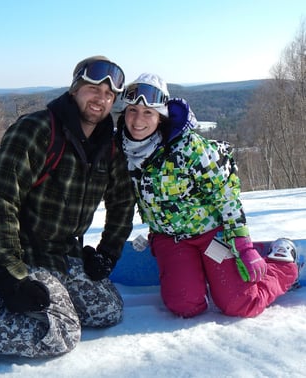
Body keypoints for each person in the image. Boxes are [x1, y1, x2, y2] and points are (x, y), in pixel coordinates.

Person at [0, 56, 135, 358]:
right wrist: (12, 271)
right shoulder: (37, 130)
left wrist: (108, 253)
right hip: (11, 246)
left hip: (57, 251)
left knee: (107, 310)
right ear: (74, 89)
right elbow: (0, 201)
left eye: (109, 94)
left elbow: (123, 202)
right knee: (60, 334)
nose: (101, 98)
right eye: (93, 89)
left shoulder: (108, 147)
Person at [117, 72, 299, 319]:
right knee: (185, 305)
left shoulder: (188, 147)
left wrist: (243, 245)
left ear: (160, 117)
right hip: (171, 239)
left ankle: (282, 263)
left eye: (148, 112)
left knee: (242, 304)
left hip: (211, 234)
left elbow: (226, 195)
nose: (138, 120)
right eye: (132, 111)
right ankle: (204, 272)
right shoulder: (122, 150)